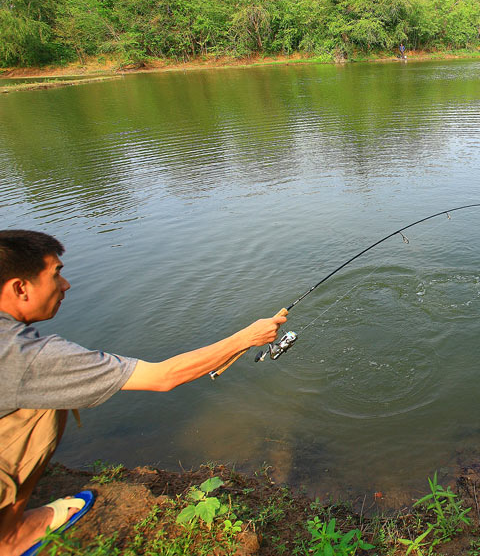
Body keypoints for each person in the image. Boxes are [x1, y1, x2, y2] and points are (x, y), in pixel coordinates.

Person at [0, 230, 286, 556]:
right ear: (20, 287)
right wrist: (247, 337)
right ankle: (10, 536)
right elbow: (162, 377)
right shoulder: (28, 358)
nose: (65, 285)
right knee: (47, 402)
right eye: (56, 274)